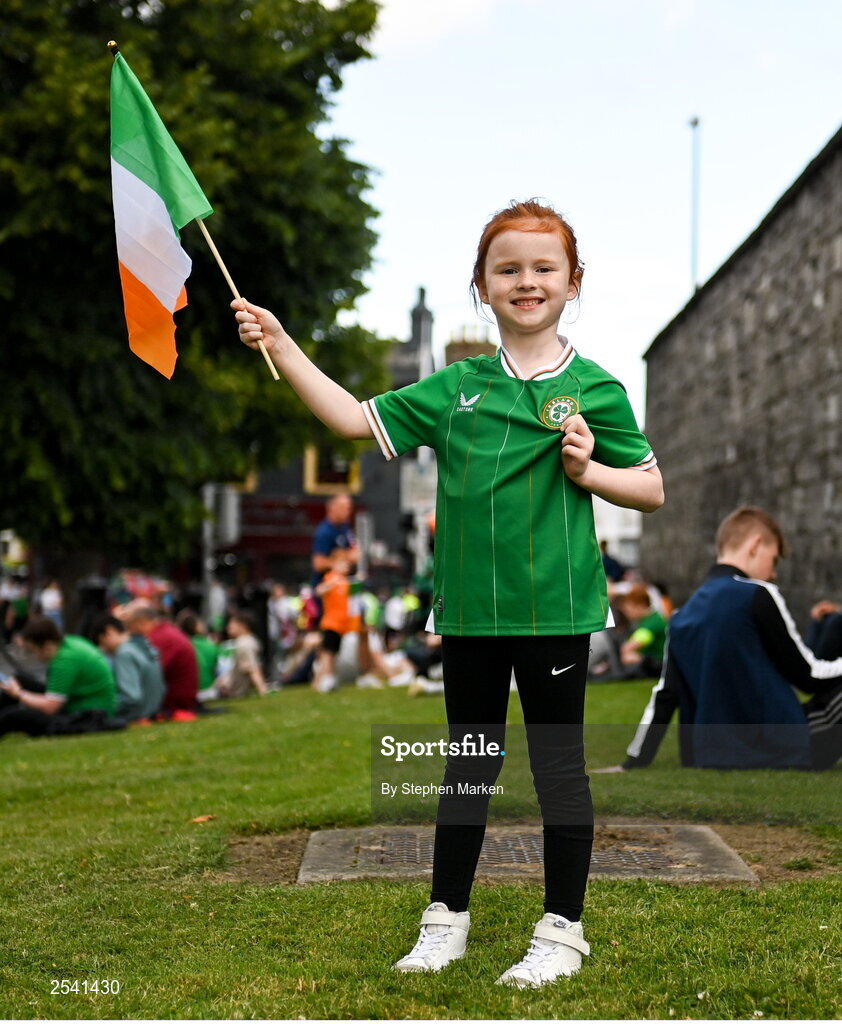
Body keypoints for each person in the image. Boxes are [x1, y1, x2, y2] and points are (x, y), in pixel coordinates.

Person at [233, 199, 663, 988]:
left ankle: (562, 930)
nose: (526, 281)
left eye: (543, 268)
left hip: (557, 614)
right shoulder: (454, 387)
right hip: (467, 614)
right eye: (508, 268)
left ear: (572, 283)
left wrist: (588, 472)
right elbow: (349, 420)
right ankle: (445, 923)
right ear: (482, 285)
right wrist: (284, 345)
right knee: (468, 765)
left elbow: (651, 489)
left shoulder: (596, 388)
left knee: (558, 771)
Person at [603, 507, 842, 773]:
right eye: (774, 560)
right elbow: (808, 675)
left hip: (711, 754)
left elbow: (665, 695)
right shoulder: (757, 595)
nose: (774, 573)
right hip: (783, 746)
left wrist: (634, 761)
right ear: (755, 546)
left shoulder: (683, 615)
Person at [0, 617, 119, 738]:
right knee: (19, 680)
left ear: (46, 646)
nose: (34, 656)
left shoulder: (64, 661)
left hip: (87, 716)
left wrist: (19, 694)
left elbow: (50, 708)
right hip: (82, 703)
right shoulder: (70, 642)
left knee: (12, 716)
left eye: (33, 650)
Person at [123, 603, 199, 721]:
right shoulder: (167, 631)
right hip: (185, 698)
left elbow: (151, 674)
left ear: (142, 623)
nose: (129, 633)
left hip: (175, 703)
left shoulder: (159, 637)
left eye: (130, 627)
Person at [93, 614, 164, 723]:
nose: (104, 649)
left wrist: (102, 706)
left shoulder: (124, 654)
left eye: (102, 642)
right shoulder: (142, 645)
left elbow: (131, 697)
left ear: (110, 631)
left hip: (137, 715)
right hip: (153, 711)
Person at [312, 549, 362, 693]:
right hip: (331, 623)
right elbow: (319, 591)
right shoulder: (330, 578)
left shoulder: (346, 582)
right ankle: (327, 679)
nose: (345, 567)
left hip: (342, 624)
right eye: (342, 564)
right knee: (328, 653)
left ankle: (320, 680)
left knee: (331, 654)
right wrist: (332, 584)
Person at [618, 584, 667, 678]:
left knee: (629, 656)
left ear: (640, 606)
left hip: (660, 664)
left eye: (628, 609)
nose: (626, 613)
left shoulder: (651, 623)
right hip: (660, 662)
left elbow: (629, 647)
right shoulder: (653, 619)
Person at [217, 611, 268, 698]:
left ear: (243, 626)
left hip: (234, 693)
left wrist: (262, 690)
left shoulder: (243, 644)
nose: (229, 627)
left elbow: (252, 669)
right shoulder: (250, 640)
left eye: (232, 624)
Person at [311, 494, 359, 587]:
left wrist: (343, 555)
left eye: (348, 508)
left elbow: (355, 553)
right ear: (332, 507)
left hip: (342, 586)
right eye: (343, 508)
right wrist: (334, 564)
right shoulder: (324, 531)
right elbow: (317, 563)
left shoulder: (345, 527)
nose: (347, 511)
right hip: (325, 589)